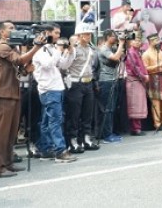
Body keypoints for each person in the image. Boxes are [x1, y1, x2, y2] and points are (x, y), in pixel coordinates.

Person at [0, 21, 45, 179]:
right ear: (2, 33)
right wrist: (36, 47)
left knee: (11, 132)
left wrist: (27, 69)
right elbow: (19, 61)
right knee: (1, 133)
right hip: (2, 95)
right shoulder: (2, 46)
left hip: (13, 94)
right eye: (11, 28)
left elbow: (21, 69)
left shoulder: (12, 47)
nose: (14, 31)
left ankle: (7, 163)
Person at [32, 24, 77, 163]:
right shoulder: (39, 51)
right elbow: (48, 65)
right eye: (56, 33)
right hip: (49, 89)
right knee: (55, 121)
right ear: (47, 33)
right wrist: (58, 49)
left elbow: (63, 65)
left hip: (56, 88)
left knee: (47, 121)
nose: (58, 36)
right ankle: (60, 150)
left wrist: (70, 51)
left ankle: (46, 149)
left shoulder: (52, 49)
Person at [64, 24, 100, 153]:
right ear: (79, 36)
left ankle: (86, 138)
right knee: (74, 114)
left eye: (89, 34)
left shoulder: (91, 49)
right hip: (75, 83)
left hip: (88, 82)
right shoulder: (73, 50)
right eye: (86, 34)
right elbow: (64, 65)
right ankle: (72, 141)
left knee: (87, 113)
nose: (88, 36)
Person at [97, 29, 126, 143]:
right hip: (105, 81)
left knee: (112, 108)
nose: (116, 38)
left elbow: (122, 55)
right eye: (114, 36)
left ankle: (110, 132)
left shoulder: (112, 48)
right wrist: (122, 43)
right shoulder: (104, 48)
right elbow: (115, 58)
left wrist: (123, 44)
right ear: (108, 37)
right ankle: (106, 135)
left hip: (113, 80)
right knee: (107, 109)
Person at [142, 33, 162, 131]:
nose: (158, 42)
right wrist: (157, 66)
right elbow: (145, 69)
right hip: (153, 78)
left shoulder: (160, 52)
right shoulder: (146, 54)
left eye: (158, 40)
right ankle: (158, 124)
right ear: (150, 42)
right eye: (155, 40)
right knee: (156, 102)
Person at [124, 34, 149, 136]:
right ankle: (135, 128)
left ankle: (137, 127)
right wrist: (143, 76)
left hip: (139, 80)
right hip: (134, 80)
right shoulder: (130, 52)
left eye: (139, 40)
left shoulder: (136, 52)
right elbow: (135, 68)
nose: (138, 42)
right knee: (135, 105)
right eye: (135, 40)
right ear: (130, 42)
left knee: (139, 104)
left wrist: (145, 75)